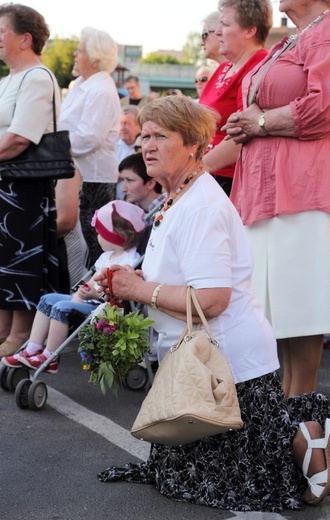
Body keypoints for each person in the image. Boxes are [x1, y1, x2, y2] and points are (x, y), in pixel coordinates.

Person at [95, 95, 330, 512]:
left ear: (193, 144)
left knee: (231, 487)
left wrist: (136, 289)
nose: (146, 145)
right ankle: (293, 432)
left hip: (227, 371)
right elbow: (176, 279)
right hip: (199, 364)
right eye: (143, 136)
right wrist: (124, 280)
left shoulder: (201, 206)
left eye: (160, 136)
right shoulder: (176, 199)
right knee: (174, 476)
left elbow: (212, 298)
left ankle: (302, 435)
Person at [223, 0, 330, 398]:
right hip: (264, 194)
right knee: (279, 322)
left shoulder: (326, 32)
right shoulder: (292, 39)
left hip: (300, 191)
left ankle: (305, 438)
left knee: (299, 318)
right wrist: (245, 120)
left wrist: (261, 122)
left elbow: (322, 108)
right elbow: (262, 101)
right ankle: (290, 437)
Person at [0, 3, 60, 360]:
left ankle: (20, 333)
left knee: (19, 259)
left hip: (22, 184)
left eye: (3, 30)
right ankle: (0, 329)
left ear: (25, 38)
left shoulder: (38, 77)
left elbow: (21, 136)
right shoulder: (5, 82)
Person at [1, 200, 146, 373]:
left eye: (100, 233)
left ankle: (50, 356)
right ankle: (32, 348)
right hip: (89, 300)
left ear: (114, 236)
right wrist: (87, 289)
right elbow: (93, 280)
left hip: (103, 308)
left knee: (62, 307)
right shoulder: (106, 256)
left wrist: (92, 294)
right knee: (47, 299)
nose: (97, 237)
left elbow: (119, 295)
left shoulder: (129, 261)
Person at [58, 26, 121, 268]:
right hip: (77, 176)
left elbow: (88, 138)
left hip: (92, 179)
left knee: (92, 243)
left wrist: (54, 146)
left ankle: (93, 299)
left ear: (96, 59)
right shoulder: (83, 85)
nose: (74, 53)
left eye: (80, 49)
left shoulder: (101, 89)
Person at [200, 1, 272, 196]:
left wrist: (193, 171)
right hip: (210, 175)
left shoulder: (259, 65)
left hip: (230, 182)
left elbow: (244, 133)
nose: (218, 32)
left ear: (249, 31)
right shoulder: (225, 68)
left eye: (225, 24)